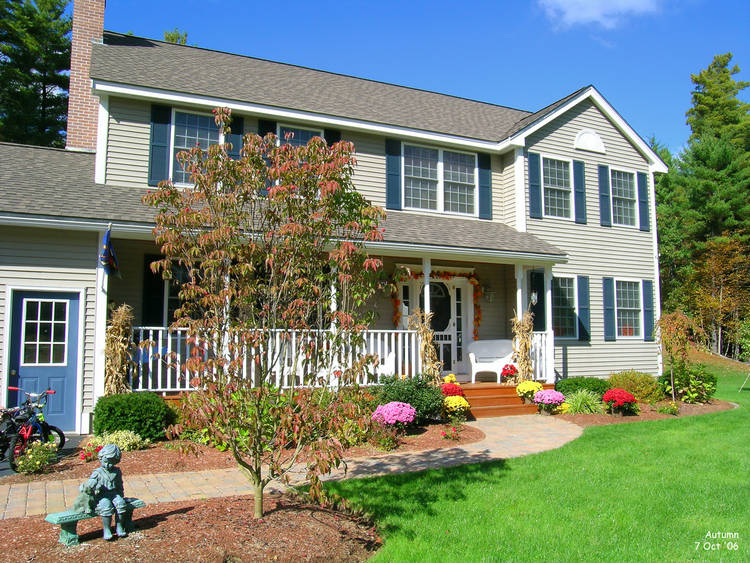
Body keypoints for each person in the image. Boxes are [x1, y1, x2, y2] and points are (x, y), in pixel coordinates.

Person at [82, 443, 128, 540]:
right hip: (101, 496)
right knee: (106, 506)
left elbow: (119, 485)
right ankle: (106, 529)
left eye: (111, 462)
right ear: (101, 458)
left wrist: (121, 496)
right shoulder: (97, 473)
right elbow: (90, 487)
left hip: (114, 494)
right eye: (106, 461)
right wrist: (94, 487)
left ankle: (119, 527)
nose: (108, 464)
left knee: (121, 504)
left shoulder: (116, 472)